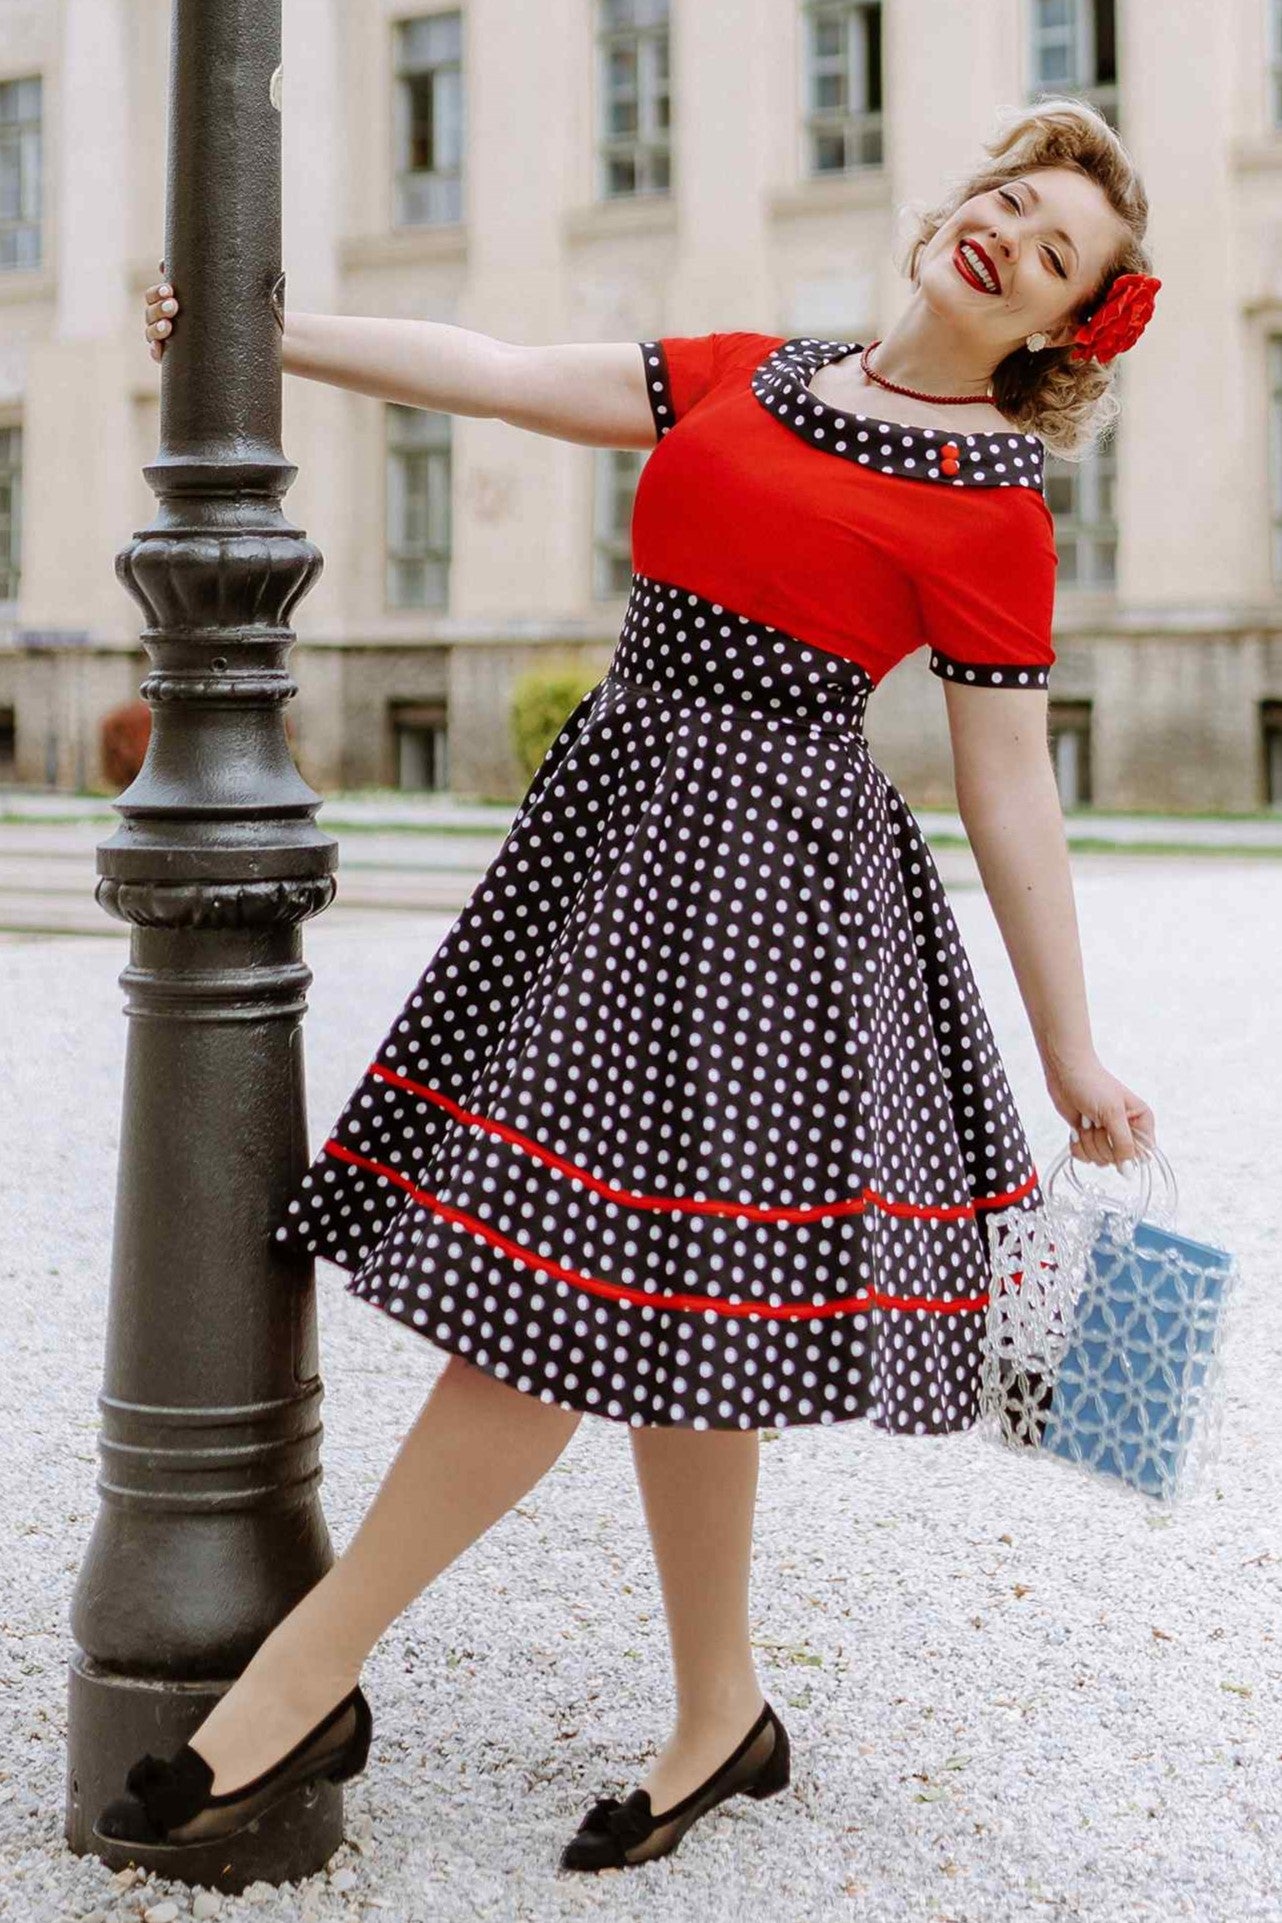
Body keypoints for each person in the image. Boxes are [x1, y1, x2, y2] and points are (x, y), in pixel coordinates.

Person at [101, 95, 1159, 1872]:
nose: (1007, 241)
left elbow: (1008, 785)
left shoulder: (992, 500)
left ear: (1059, 328)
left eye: (1052, 257)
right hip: (618, 841)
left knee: (564, 1299)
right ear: (959, 200)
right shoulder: (762, 369)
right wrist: (265, 336)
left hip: (770, 904)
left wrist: (1068, 1050)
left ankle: (300, 1677)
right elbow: (504, 370)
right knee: (667, 1311)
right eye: (1009, 202)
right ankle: (718, 1712)